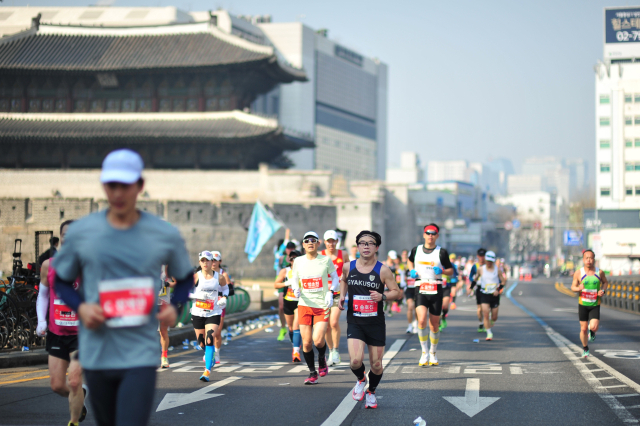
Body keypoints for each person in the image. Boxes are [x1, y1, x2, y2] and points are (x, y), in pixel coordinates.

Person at [53, 149, 194, 426]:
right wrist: (81, 306)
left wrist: (174, 307)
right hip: (98, 351)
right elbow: (61, 280)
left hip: (139, 352)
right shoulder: (83, 232)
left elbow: (186, 278)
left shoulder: (162, 234)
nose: (117, 193)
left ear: (139, 186)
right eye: (111, 185)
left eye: (125, 185)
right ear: (104, 186)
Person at [339, 230, 402, 409]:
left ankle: (371, 391)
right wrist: (342, 296)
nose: (366, 246)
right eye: (362, 243)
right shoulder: (347, 266)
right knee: (355, 361)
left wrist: (382, 296)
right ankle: (360, 379)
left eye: (370, 243)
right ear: (357, 246)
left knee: (376, 364)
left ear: (376, 248)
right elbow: (343, 280)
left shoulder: (383, 270)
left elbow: (397, 292)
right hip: (356, 321)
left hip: (375, 323)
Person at [36, 220, 87, 426]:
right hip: (57, 332)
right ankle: (79, 399)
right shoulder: (49, 266)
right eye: (65, 234)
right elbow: (43, 295)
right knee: (57, 385)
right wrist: (41, 321)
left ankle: (73, 422)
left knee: (74, 379)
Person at [290, 231, 340, 385]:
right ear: (304, 245)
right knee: (306, 343)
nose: (310, 242)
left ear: (318, 244)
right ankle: (312, 373)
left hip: (321, 305)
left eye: (313, 240)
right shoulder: (298, 261)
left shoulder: (325, 260)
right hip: (304, 304)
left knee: (318, 341)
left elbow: (336, 278)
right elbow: (294, 279)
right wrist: (295, 289)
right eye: (307, 240)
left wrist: (331, 292)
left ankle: (322, 360)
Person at [407, 223, 454, 366]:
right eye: (428, 233)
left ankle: (433, 352)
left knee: (434, 324)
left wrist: (443, 272)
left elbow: (451, 270)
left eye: (433, 233)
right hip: (420, 287)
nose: (430, 236)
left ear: (437, 236)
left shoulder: (442, 252)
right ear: (423, 235)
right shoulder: (416, 250)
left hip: (436, 288)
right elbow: (409, 261)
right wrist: (412, 271)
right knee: (421, 320)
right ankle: (424, 352)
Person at [191, 250, 228, 381]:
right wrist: (197, 296)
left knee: (209, 339)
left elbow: (225, 288)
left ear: (212, 261)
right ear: (200, 262)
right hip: (198, 312)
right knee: (202, 343)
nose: (205, 263)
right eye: (202, 260)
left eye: (207, 260)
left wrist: (224, 297)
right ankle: (210, 356)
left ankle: (207, 371)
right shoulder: (195, 277)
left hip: (214, 312)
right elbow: (186, 292)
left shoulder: (219, 277)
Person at [570, 249, 608, 358]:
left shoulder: (599, 272)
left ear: (594, 260)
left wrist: (603, 290)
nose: (589, 260)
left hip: (595, 304)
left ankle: (592, 332)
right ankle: (585, 348)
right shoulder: (579, 273)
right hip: (583, 304)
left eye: (591, 258)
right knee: (583, 328)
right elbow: (573, 287)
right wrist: (579, 288)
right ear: (583, 260)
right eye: (586, 258)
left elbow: (605, 282)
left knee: (594, 327)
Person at [321, 230, 350, 366]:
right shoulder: (320, 255)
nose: (331, 244)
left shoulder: (343, 254)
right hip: (322, 294)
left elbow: (349, 270)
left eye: (333, 241)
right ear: (325, 242)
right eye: (328, 241)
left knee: (333, 322)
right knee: (326, 325)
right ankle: (331, 350)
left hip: (338, 293)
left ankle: (336, 351)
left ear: (337, 241)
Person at [274, 250, 303, 362]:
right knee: (290, 328)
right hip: (288, 301)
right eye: (292, 258)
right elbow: (276, 284)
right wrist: (287, 283)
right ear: (289, 260)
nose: (294, 261)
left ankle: (296, 352)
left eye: (296, 258)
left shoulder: (304, 271)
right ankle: (295, 345)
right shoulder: (285, 271)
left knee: (296, 326)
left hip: (300, 302)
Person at [473, 251, 506, 341]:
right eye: (488, 261)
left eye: (491, 261)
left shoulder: (497, 270)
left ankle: (492, 321)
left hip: (494, 295)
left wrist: (498, 290)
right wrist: (471, 287)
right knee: (486, 314)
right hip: (484, 293)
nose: (489, 263)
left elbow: (503, 281)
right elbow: (476, 279)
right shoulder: (481, 269)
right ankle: (489, 332)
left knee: (494, 317)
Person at [212, 251, 232, 365]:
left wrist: (224, 296)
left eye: (216, 260)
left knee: (218, 331)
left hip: (219, 304)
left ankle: (217, 352)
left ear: (220, 261)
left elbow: (229, 289)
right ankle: (209, 351)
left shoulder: (223, 274)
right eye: (212, 260)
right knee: (207, 330)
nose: (213, 263)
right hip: (207, 303)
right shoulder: (204, 273)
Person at [159, 265, 176, 368]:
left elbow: (177, 282)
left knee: (163, 331)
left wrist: (168, 284)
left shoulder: (167, 266)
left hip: (163, 303)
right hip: (149, 303)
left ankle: (164, 357)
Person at [468, 248, 487, 332]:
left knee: (487, 308)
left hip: (488, 288)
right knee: (479, 309)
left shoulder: (489, 265)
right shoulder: (475, 266)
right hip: (479, 288)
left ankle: (487, 324)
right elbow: (470, 276)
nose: (482, 258)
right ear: (478, 256)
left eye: (483, 256)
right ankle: (480, 323)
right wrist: (473, 283)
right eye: (480, 256)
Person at [440, 253, 459, 331]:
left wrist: (447, 274)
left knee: (445, 305)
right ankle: (438, 325)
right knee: (437, 307)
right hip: (437, 287)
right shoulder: (435, 264)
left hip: (446, 287)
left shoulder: (450, 265)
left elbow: (454, 274)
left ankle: (443, 317)